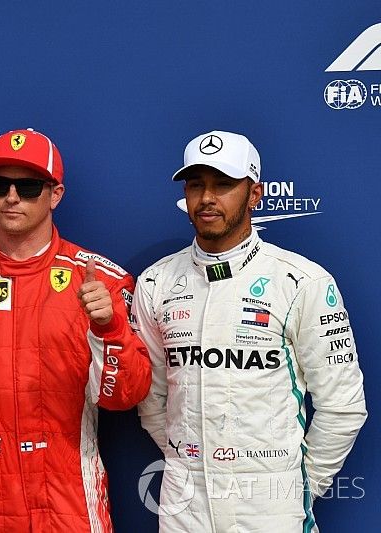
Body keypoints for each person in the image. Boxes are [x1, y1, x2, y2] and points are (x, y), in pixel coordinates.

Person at [0, 128, 151, 532]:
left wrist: (110, 328)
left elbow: (128, 396)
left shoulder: (100, 280)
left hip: (70, 504)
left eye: (28, 186)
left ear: (55, 194)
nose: (11, 197)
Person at [135, 130, 367, 532]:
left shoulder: (302, 282)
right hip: (183, 498)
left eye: (223, 184)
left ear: (255, 194)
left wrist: (297, 487)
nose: (207, 197)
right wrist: (189, 459)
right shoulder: (155, 282)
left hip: (270, 502)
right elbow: (151, 397)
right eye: (196, 184)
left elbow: (343, 408)